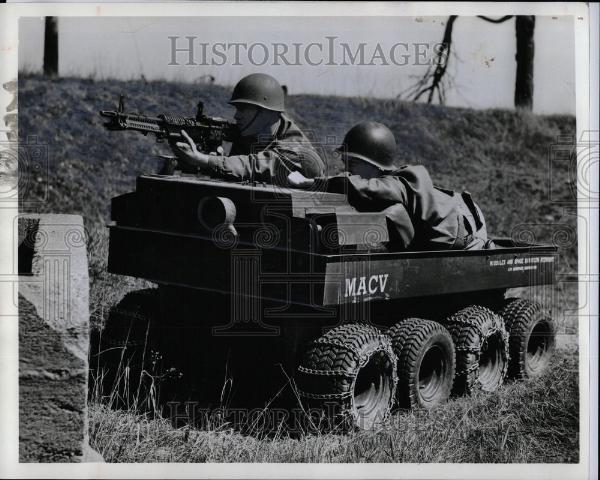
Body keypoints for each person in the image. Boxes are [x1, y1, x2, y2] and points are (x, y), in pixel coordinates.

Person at [288, 121, 494, 251]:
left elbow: (366, 188)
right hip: (450, 229)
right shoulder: (391, 184)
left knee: (392, 212)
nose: (347, 171)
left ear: (375, 165)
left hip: (468, 230)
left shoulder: (404, 181)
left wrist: (314, 183)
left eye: (352, 164)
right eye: (345, 164)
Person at [171, 73, 325, 185]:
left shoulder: (298, 151)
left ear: (267, 112)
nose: (236, 116)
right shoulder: (252, 136)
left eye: (244, 108)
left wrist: (205, 159)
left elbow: (257, 165)